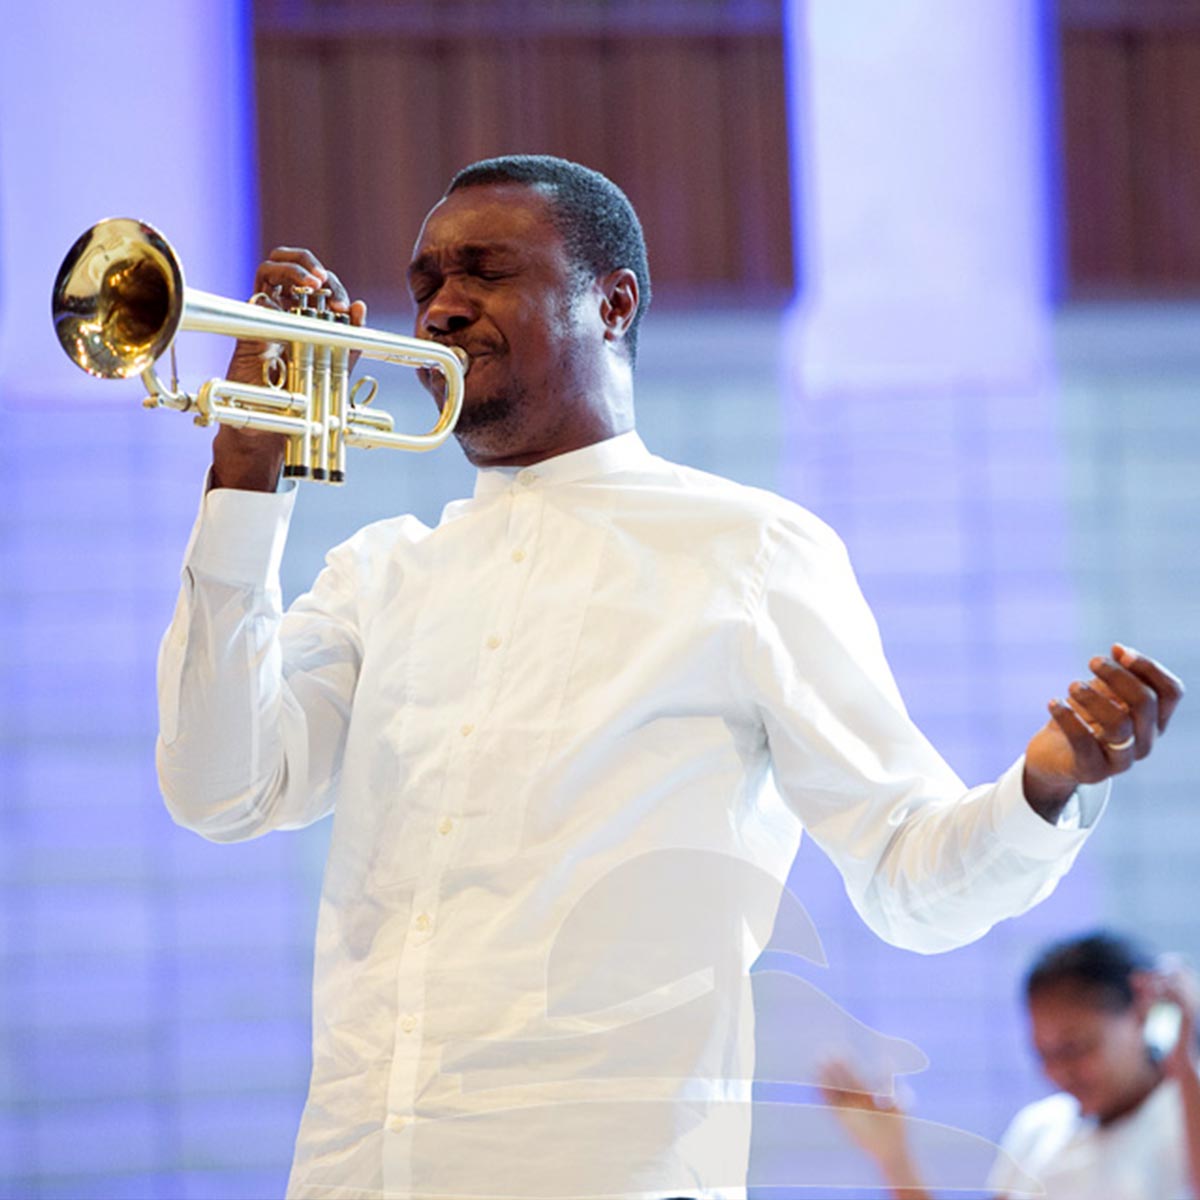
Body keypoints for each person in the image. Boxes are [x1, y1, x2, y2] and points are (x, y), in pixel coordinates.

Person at [156, 154, 1184, 1199]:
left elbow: (907, 875)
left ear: (612, 302)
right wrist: (245, 474)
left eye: (484, 273)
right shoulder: (378, 572)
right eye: (425, 286)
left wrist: (1048, 784)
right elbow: (220, 789)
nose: (441, 311)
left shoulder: (750, 552)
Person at [819, 931, 1200, 1199]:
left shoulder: (1182, 1117)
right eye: (1043, 1054)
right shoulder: (1039, 1131)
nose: (1058, 1072)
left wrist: (1187, 1061)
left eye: (1075, 1048)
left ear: (1142, 1011)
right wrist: (893, 1157)